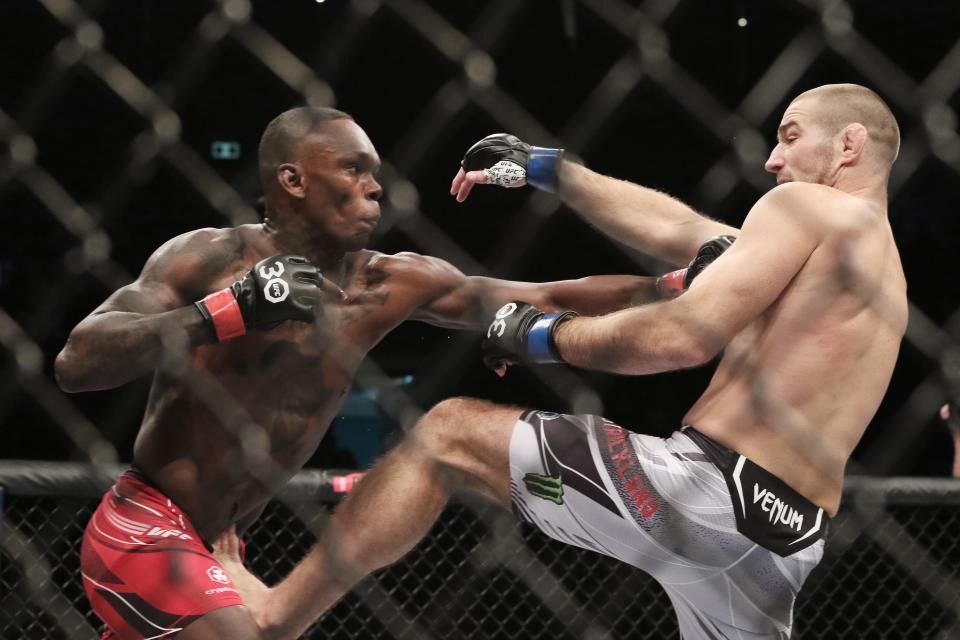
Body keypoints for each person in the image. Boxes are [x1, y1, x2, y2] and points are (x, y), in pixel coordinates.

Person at [214, 83, 907, 639]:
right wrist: (554, 171)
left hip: (705, 495)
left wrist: (541, 332)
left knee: (448, 435)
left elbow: (682, 337)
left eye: (789, 137)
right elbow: (688, 233)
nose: (772, 162)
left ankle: (274, 619)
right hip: (787, 542)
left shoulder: (807, 209)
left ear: (848, 144)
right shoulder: (875, 270)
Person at [54, 106, 717, 640]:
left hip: (221, 544)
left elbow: (543, 296)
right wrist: (226, 312)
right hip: (147, 524)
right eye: (354, 169)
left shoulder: (389, 283)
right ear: (293, 181)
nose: (377, 186)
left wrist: (672, 285)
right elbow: (78, 363)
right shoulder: (209, 258)